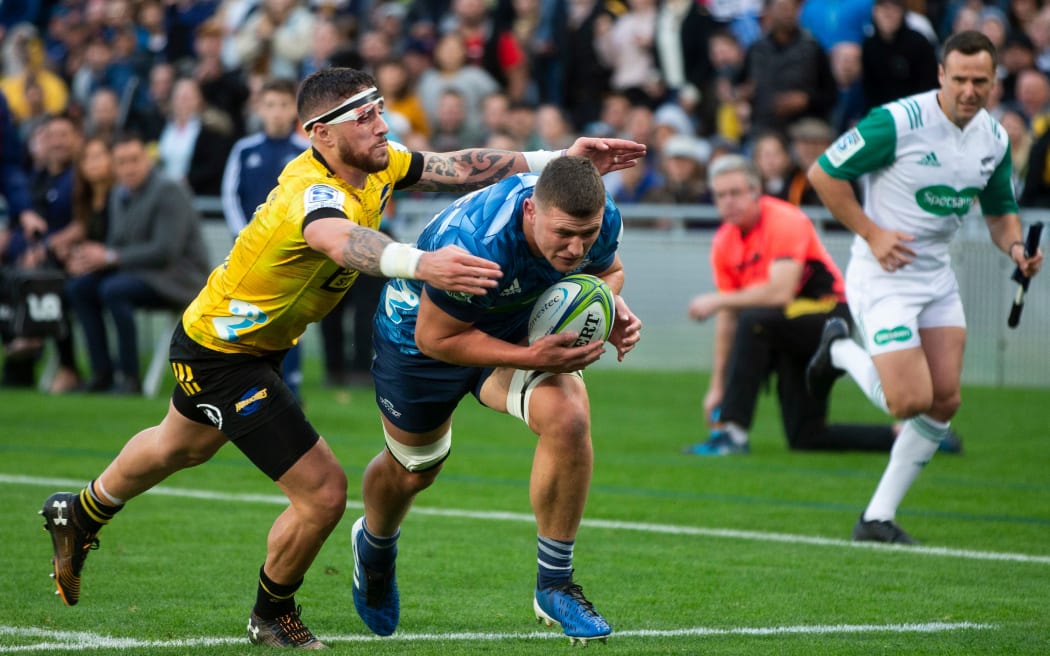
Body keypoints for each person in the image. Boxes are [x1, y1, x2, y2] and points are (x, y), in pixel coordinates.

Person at [39, 67, 645, 649]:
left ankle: (80, 510)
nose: (380, 124)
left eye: (379, 108)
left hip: (259, 344)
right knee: (324, 493)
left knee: (182, 445)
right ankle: (271, 615)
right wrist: (417, 261)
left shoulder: (376, 164)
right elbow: (338, 238)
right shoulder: (311, 191)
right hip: (224, 353)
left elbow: (457, 166)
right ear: (319, 134)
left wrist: (557, 160)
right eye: (361, 116)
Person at [352, 155, 643, 646]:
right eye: (564, 234)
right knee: (414, 470)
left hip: (513, 323)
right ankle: (375, 546)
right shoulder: (479, 245)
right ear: (531, 210)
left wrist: (605, 306)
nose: (576, 248)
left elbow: (608, 271)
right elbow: (437, 339)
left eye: (586, 234)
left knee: (567, 415)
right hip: (418, 339)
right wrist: (532, 355)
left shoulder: (598, 216)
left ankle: (554, 583)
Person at [806, 30, 1044, 543]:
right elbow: (823, 173)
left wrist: (1017, 250)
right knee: (907, 402)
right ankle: (842, 350)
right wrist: (873, 232)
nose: (969, 90)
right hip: (882, 274)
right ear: (941, 74)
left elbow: (1001, 213)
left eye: (980, 80)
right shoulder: (896, 122)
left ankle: (876, 518)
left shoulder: (995, 138)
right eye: (959, 78)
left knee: (945, 401)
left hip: (936, 275)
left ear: (994, 80)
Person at [681, 154, 902, 455]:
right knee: (807, 437)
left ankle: (732, 433)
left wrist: (716, 300)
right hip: (783, 326)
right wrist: (717, 386)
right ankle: (905, 437)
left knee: (754, 321)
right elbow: (728, 318)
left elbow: (780, 293)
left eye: (735, 193)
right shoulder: (724, 242)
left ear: (756, 191)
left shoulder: (784, 219)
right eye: (720, 195)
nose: (728, 202)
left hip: (828, 315)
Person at [65, 131, 210, 394]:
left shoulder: (169, 189)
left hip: (179, 278)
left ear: (147, 159)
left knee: (113, 290)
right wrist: (88, 259)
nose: (129, 168)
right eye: (121, 162)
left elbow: (166, 251)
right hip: (140, 273)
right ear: (115, 166)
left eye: (135, 160)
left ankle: (129, 378)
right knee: (80, 288)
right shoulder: (119, 193)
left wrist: (108, 257)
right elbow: (117, 245)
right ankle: (102, 374)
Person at [221, 77, 309, 400]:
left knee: (289, 318)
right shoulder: (244, 150)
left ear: (294, 111)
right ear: (259, 109)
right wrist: (245, 234)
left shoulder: (306, 151)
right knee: (248, 316)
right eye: (270, 105)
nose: (276, 112)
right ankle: (249, 383)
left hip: (290, 251)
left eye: (284, 105)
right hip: (249, 251)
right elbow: (230, 195)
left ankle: (292, 385)